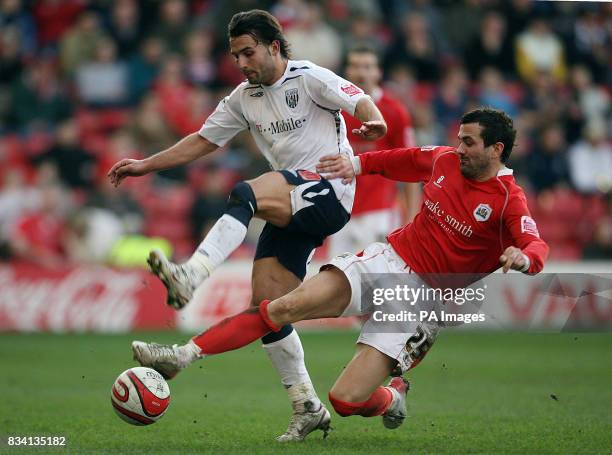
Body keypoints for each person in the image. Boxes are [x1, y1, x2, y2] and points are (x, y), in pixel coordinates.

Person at [131, 108, 549, 433]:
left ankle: (390, 396)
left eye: (470, 142)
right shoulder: (443, 160)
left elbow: (535, 244)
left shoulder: (507, 199)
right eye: (459, 139)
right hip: (388, 260)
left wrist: (524, 258)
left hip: (421, 299)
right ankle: (182, 355)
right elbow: (401, 160)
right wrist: (356, 165)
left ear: (496, 150)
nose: (459, 148)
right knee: (279, 308)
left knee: (346, 401)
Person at [107, 9, 386, 442]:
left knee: (246, 193)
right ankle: (305, 405)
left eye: (248, 52)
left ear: (274, 46)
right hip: (292, 204)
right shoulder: (243, 97)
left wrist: (375, 121)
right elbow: (202, 140)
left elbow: (358, 99)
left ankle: (190, 275)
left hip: (329, 192)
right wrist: (146, 165)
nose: (240, 62)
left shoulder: (308, 76)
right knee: (268, 311)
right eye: (235, 55)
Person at [329, 45, 417, 258]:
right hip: (340, 210)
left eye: (367, 67)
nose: (361, 73)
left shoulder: (394, 111)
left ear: (378, 72)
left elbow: (410, 166)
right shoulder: (333, 109)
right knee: (336, 281)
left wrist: (412, 218)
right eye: (355, 66)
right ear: (346, 72)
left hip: (380, 212)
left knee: (377, 284)